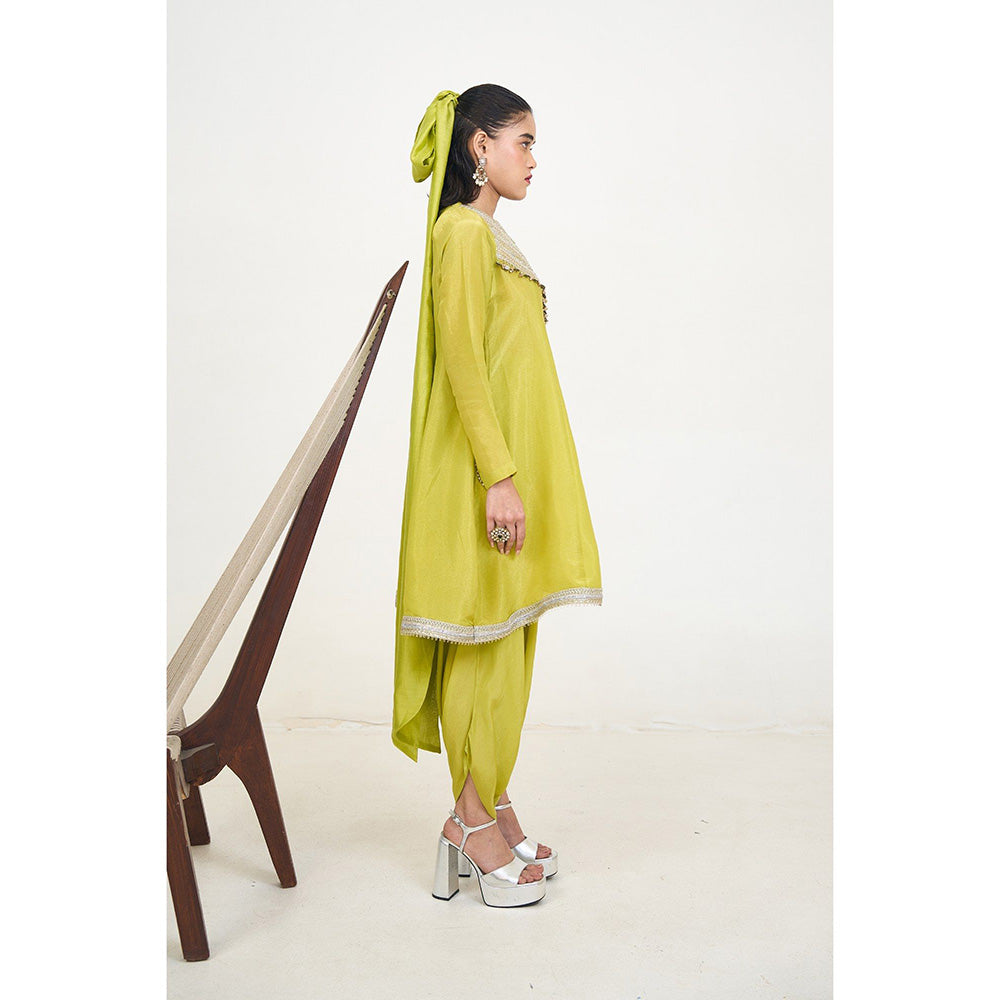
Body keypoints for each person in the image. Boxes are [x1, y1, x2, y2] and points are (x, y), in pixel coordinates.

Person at [392, 85, 602, 907]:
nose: (534, 159)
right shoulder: (460, 233)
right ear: (480, 146)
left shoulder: (490, 235)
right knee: (484, 639)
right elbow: (464, 364)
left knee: (508, 636)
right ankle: (471, 823)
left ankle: (492, 804)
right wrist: (498, 477)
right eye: (524, 141)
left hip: (508, 471)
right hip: (487, 478)